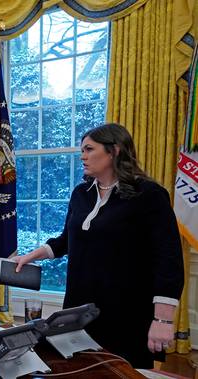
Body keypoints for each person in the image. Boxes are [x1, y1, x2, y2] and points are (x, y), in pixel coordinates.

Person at [14, 123, 184, 369]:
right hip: (79, 310)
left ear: (114, 151)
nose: (82, 155)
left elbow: (169, 259)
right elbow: (66, 241)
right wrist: (31, 256)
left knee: (122, 371)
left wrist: (163, 320)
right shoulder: (81, 193)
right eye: (82, 150)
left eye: (89, 149)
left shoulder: (149, 195)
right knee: (79, 369)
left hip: (127, 312)